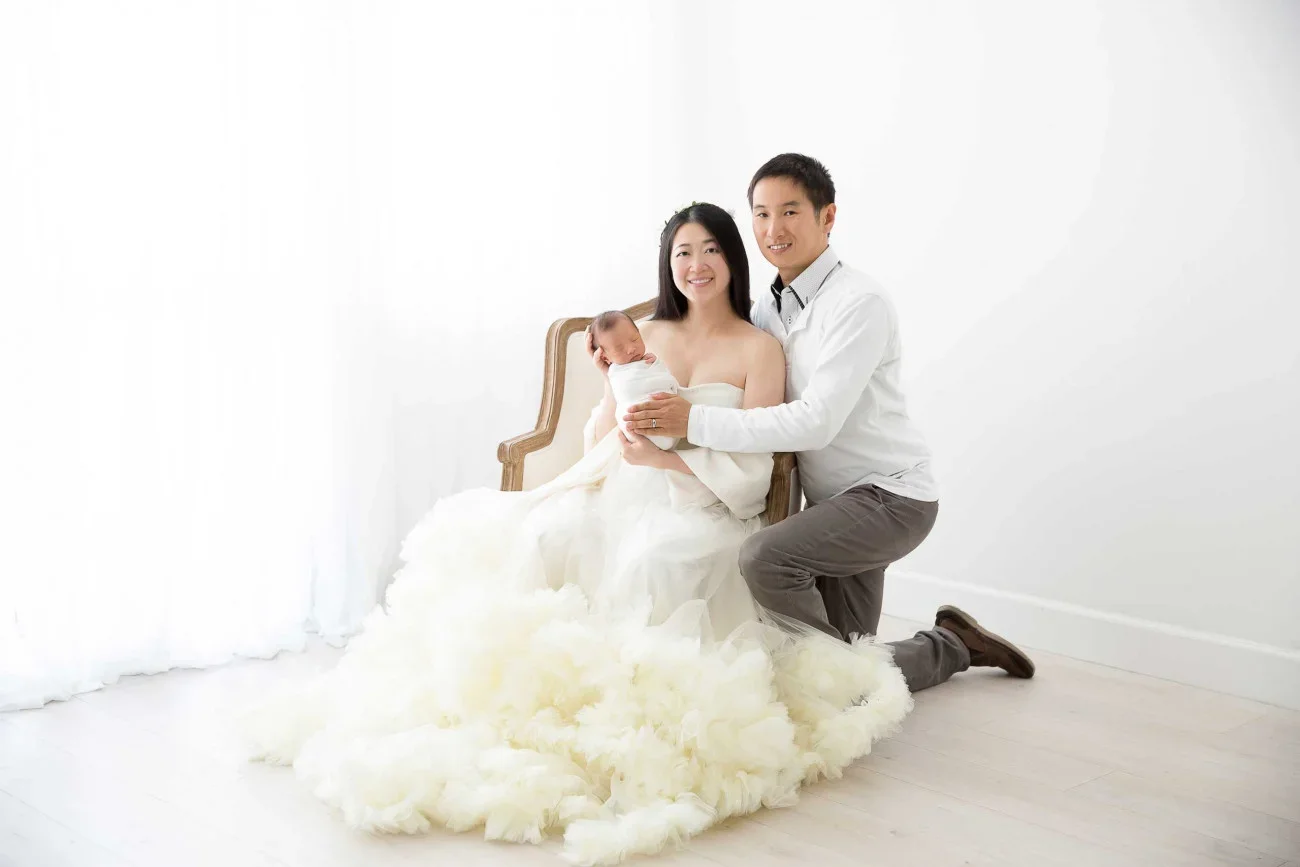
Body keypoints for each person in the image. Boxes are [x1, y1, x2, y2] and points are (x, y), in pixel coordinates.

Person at [243, 203, 913, 866]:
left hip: (704, 499)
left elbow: (758, 465)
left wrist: (670, 459)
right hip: (622, 484)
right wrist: (614, 399)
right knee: (547, 533)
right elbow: (599, 439)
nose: (695, 265)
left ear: (732, 259)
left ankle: (634, 718)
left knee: (658, 557)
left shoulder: (758, 347)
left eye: (709, 250)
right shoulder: (645, 333)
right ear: (668, 263)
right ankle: (526, 707)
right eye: (682, 252)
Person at [624, 154, 1035, 691]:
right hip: (831, 506)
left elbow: (816, 422)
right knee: (849, 668)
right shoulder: (768, 313)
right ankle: (953, 643)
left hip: (890, 497)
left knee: (764, 558)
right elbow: (695, 322)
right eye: (762, 214)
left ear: (828, 218)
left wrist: (692, 422)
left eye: (791, 211)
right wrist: (612, 344)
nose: (774, 229)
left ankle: (860, 671)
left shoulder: (858, 303)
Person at [587, 310, 679, 449]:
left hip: (671, 424)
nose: (631, 349)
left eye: (634, 339)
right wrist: (606, 373)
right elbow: (623, 391)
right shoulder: (615, 373)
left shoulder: (648, 360)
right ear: (605, 357)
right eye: (619, 348)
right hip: (636, 432)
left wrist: (655, 365)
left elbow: (662, 379)